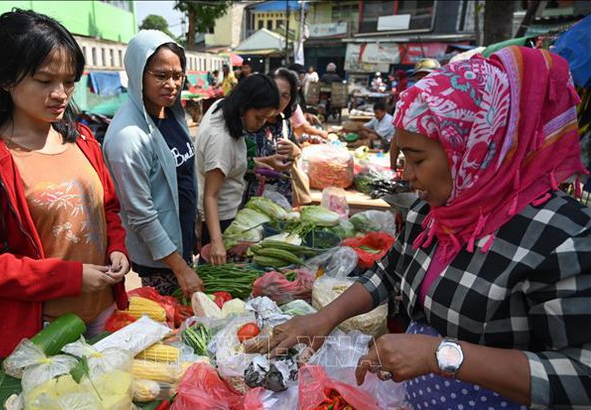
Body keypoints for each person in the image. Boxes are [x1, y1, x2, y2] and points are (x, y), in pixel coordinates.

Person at [261, 46, 590, 409]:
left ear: (475, 149)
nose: (406, 175)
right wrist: (323, 318)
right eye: (403, 157)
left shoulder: (560, 237)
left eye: (417, 159)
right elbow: (390, 271)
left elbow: (581, 376)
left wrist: (443, 355)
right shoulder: (435, 212)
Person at [0, 9, 131, 359]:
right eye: (45, 81)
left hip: (104, 314)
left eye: (69, 81)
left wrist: (117, 246)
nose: (61, 94)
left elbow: (107, 208)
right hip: (41, 335)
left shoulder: (83, 140)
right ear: (8, 79)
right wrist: (68, 278)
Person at [103, 31, 203, 298]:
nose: (171, 84)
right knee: (171, 324)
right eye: (160, 76)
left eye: (177, 76)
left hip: (182, 242)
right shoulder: (128, 137)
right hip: (161, 259)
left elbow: (185, 179)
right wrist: (181, 269)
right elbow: (141, 215)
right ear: (138, 75)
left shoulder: (171, 114)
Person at [196, 74, 279, 265]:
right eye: (259, 117)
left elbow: (227, 164)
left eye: (266, 118)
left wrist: (261, 162)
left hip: (220, 217)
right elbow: (211, 195)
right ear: (244, 106)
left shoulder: (224, 107)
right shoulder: (221, 139)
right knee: (216, 274)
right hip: (218, 220)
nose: (262, 123)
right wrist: (217, 243)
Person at [244, 68, 304, 206]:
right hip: (250, 205)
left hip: (281, 201)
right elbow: (233, 164)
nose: (278, 99)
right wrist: (266, 162)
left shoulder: (284, 123)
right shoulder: (248, 121)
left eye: (285, 96)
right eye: (275, 92)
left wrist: (295, 151)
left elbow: (296, 151)